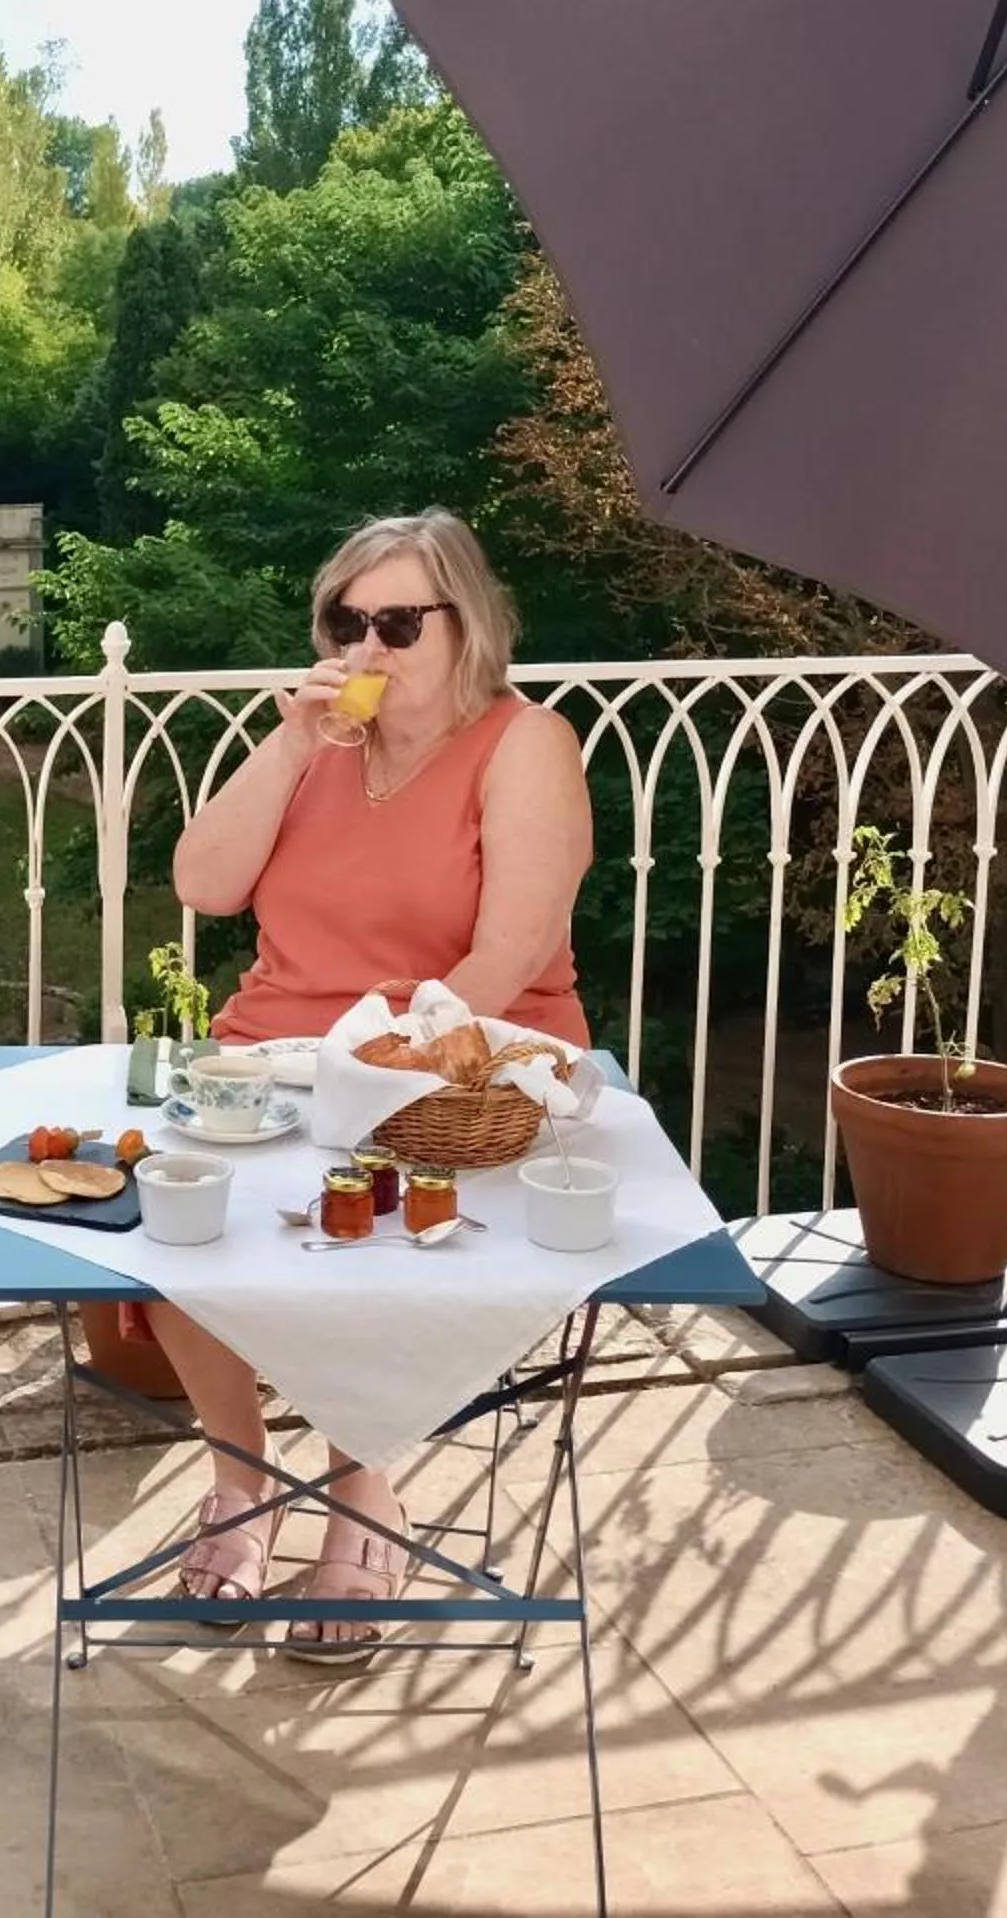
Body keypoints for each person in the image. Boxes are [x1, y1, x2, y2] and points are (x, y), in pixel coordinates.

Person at [152, 508, 593, 1662]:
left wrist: (375, 1077)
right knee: (166, 1221)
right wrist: (292, 745)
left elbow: (506, 954)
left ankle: (363, 1488)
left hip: (451, 1066)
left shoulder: (523, 743)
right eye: (347, 621)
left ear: (468, 627)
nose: (368, 647)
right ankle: (241, 1485)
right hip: (274, 1059)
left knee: (355, 1232)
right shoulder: (320, 749)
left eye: (399, 622)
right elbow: (203, 883)